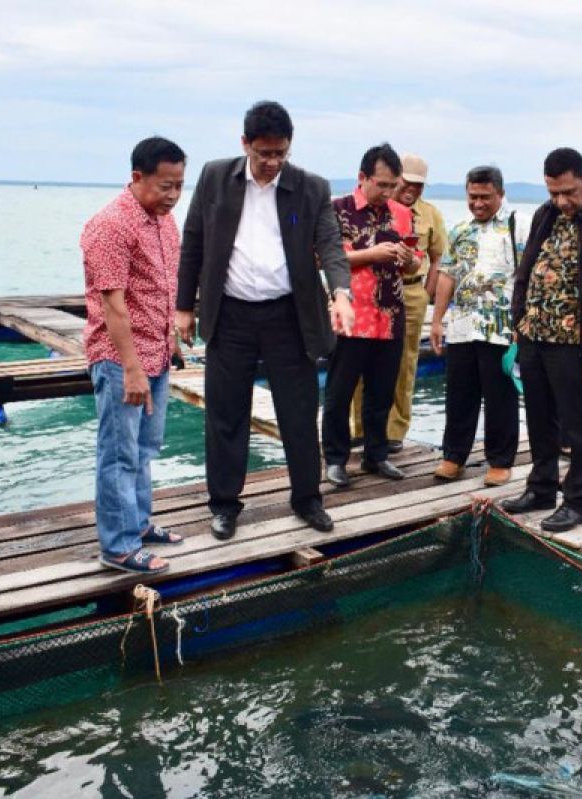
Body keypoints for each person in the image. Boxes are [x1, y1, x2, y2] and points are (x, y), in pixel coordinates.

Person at [176, 101, 354, 541]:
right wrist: (183, 306)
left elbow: (330, 244)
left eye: (281, 154)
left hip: (289, 315)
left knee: (297, 411)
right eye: (264, 154)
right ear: (245, 145)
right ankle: (223, 504)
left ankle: (307, 498)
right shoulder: (216, 177)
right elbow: (193, 241)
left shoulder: (310, 188)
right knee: (225, 413)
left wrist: (342, 293)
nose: (273, 163)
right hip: (230, 313)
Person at [500, 148, 582, 533]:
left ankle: (575, 502)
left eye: (569, 192)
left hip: (573, 343)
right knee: (539, 418)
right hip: (534, 335)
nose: (562, 201)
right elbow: (526, 271)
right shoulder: (545, 214)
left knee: (578, 426)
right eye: (554, 192)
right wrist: (518, 320)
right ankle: (541, 489)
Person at [81, 136, 187, 574]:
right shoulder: (110, 226)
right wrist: (131, 370)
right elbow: (114, 306)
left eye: (180, 185)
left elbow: (162, 288)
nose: (174, 195)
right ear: (137, 177)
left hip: (158, 351)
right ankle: (119, 547)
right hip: (120, 358)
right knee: (119, 453)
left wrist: (173, 340)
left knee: (145, 448)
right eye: (165, 186)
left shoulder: (164, 221)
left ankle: (139, 524)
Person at [323, 143, 416, 486]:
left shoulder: (402, 213)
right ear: (362, 177)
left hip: (390, 313)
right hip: (350, 313)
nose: (390, 192)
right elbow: (323, 259)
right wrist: (371, 253)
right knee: (339, 392)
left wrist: (410, 260)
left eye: (394, 185)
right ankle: (335, 458)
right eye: (383, 184)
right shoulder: (337, 210)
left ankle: (376, 456)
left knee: (382, 390)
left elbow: (415, 260)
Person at [430, 165, 528, 486]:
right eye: (473, 197)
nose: (479, 203)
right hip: (461, 325)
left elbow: (531, 277)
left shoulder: (518, 226)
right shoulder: (459, 230)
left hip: (500, 328)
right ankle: (453, 456)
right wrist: (436, 320)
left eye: (486, 197)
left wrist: (525, 320)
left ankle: (500, 461)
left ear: (500, 194)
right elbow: (447, 275)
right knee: (459, 394)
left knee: (500, 396)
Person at [349, 153, 448, 453]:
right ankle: (361, 429)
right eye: (407, 182)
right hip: (371, 293)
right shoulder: (369, 209)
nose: (411, 190)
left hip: (412, 290)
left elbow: (437, 257)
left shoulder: (430, 214)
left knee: (405, 363)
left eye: (419, 186)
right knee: (360, 361)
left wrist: (427, 292)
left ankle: (394, 431)